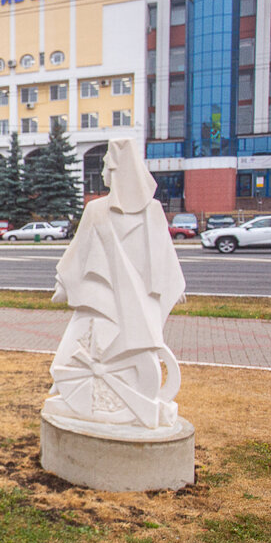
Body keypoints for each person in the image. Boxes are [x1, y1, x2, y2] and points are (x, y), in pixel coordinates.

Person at [43, 138, 186, 429]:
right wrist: (64, 284)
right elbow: (80, 249)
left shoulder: (147, 211)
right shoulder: (101, 210)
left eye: (108, 165)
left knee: (99, 337)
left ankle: (69, 381)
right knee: (79, 337)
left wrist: (173, 285)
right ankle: (66, 382)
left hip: (127, 295)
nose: (105, 171)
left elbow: (161, 254)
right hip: (104, 293)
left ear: (118, 170)